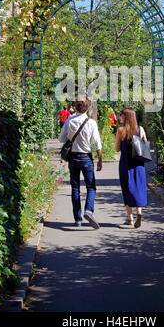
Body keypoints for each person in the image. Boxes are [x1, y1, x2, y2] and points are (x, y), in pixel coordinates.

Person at [59, 95, 102, 229]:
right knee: (91, 186)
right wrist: (100, 159)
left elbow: (61, 139)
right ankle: (88, 210)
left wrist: (70, 137)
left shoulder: (69, 121)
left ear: (76, 107)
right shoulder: (91, 122)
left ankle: (77, 219)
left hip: (73, 157)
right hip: (86, 157)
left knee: (75, 188)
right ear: (87, 107)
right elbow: (97, 143)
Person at [115, 107, 147, 228]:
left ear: (127, 117)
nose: (119, 118)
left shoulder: (120, 130)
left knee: (126, 189)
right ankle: (139, 212)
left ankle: (130, 219)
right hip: (138, 164)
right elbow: (144, 146)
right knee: (138, 188)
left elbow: (117, 149)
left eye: (121, 115)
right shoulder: (141, 129)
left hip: (125, 164)